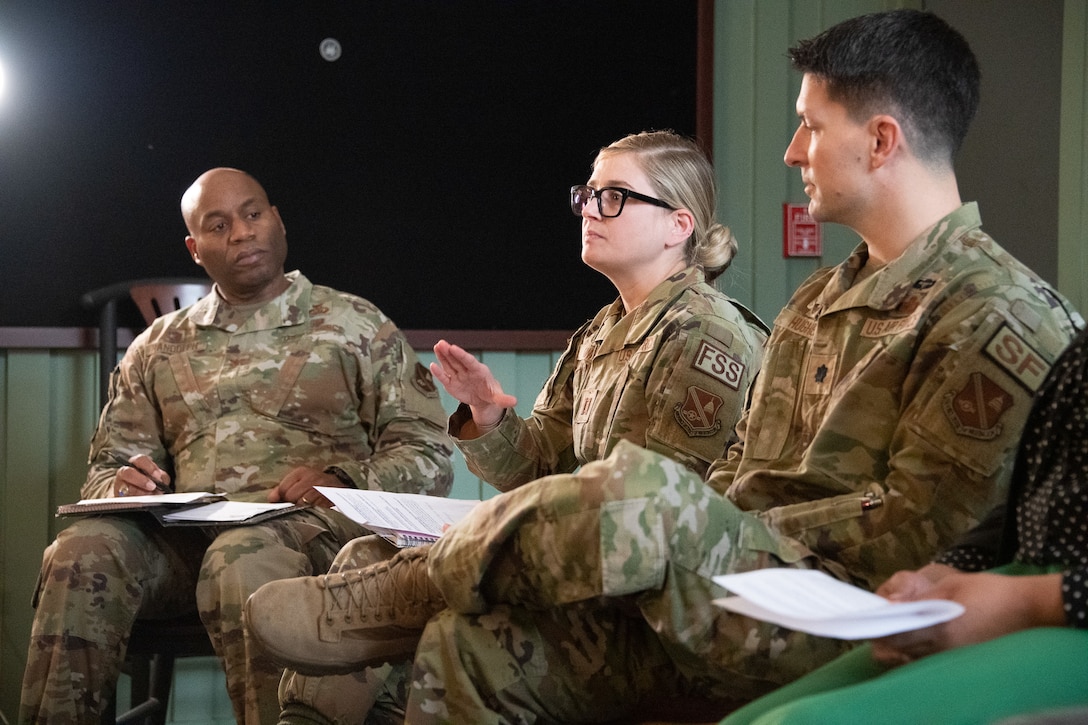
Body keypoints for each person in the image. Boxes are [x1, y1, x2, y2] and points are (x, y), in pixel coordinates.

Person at [381, 9, 1077, 722]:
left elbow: (920, 536)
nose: (791, 151)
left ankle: (413, 582)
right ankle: (415, 587)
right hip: (743, 582)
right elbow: (738, 471)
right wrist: (725, 526)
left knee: (647, 491)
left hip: (850, 614)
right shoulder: (814, 301)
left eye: (811, 124)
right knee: (471, 645)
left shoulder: (995, 314)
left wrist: (735, 529)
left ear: (880, 140)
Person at [252, 130, 770, 724]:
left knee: (449, 617)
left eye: (616, 196)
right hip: (582, 552)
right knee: (363, 553)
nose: (591, 211)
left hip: (638, 595)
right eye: (589, 193)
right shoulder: (603, 330)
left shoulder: (707, 334)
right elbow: (540, 462)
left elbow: (665, 515)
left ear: (679, 225)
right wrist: (489, 415)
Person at [18, 167, 454, 724]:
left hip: (309, 536)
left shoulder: (354, 325)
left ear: (278, 220)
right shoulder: (158, 345)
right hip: (182, 543)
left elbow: (429, 453)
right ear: (195, 248)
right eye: (218, 225)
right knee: (79, 553)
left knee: (239, 556)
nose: (243, 233)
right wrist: (122, 481)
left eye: (253, 214)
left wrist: (346, 478)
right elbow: (108, 467)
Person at [720, 324, 1088, 725]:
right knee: (750, 721)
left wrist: (1026, 603)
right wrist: (946, 569)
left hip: (1063, 605)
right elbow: (1050, 492)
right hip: (1016, 583)